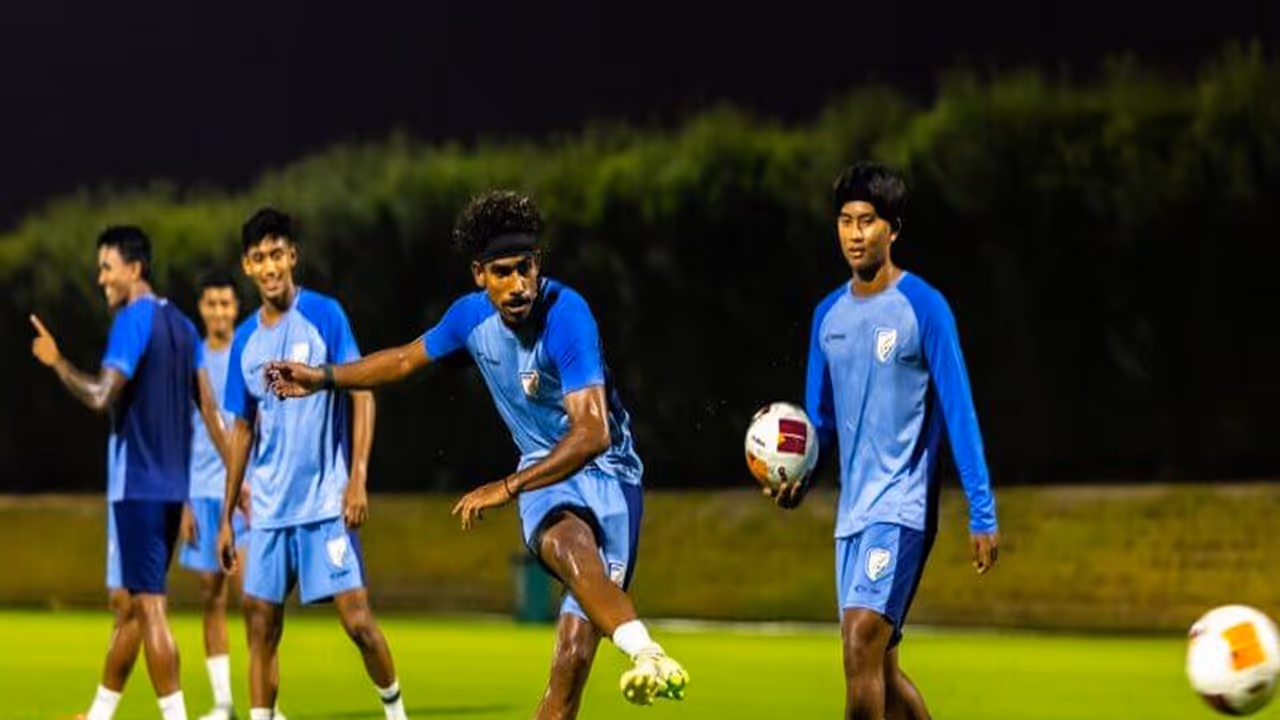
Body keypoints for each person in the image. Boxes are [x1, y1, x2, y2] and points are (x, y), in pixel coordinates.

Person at [265, 190, 689, 718]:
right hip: (544, 475)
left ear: (539, 267)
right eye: (504, 272)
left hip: (610, 475)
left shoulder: (567, 314)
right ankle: (648, 652)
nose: (518, 285)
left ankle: (641, 652)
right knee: (572, 547)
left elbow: (593, 434)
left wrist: (505, 487)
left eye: (526, 269)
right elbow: (401, 361)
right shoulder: (469, 320)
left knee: (573, 659)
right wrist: (322, 378)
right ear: (479, 276)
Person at [767, 162, 1000, 720]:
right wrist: (796, 476)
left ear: (892, 229)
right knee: (883, 669)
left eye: (867, 221)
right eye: (845, 221)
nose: (853, 233)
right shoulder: (828, 317)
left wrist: (982, 512)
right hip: (852, 514)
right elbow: (819, 425)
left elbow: (961, 412)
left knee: (859, 641)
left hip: (903, 507)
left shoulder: (925, 308)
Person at [216, 208, 407, 720]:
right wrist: (226, 517)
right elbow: (241, 429)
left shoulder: (325, 315)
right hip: (271, 513)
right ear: (247, 267)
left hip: (325, 505)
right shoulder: (244, 341)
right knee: (260, 626)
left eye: (277, 253)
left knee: (359, 624)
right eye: (259, 258)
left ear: (292, 256)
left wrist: (358, 480)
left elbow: (362, 391)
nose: (270, 266)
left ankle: (396, 713)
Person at [31, 226, 222, 720]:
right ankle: (99, 714)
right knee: (138, 606)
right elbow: (209, 408)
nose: (101, 279)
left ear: (134, 269)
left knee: (149, 607)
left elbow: (99, 397)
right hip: (172, 492)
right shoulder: (182, 325)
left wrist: (56, 362)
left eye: (107, 267)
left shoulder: (132, 321)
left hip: (136, 489)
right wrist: (234, 476)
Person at [177, 270, 251, 720]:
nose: (220, 311)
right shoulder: (192, 360)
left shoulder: (249, 355)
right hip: (201, 493)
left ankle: (267, 701)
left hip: (245, 495)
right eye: (212, 304)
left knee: (257, 600)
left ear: (235, 308)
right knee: (213, 597)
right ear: (202, 310)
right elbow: (177, 432)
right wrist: (182, 501)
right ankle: (223, 703)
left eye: (226, 303)